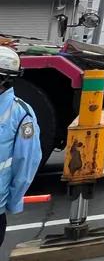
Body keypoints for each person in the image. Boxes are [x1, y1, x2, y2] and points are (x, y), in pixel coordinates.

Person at [0, 47, 42, 247]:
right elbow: (26, 163)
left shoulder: (21, 114)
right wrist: (13, 201)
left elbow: (26, 162)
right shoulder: (21, 114)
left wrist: (14, 200)